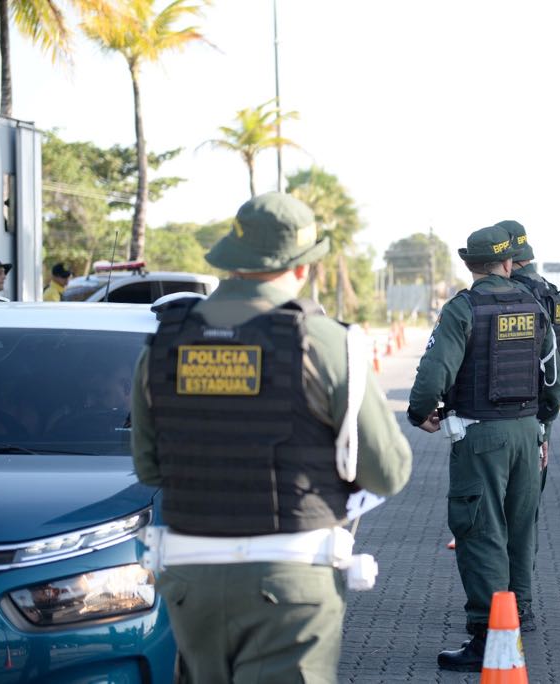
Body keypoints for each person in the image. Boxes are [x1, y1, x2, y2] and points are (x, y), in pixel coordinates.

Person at [131, 192, 412, 683]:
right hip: (291, 582)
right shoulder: (326, 342)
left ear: (231, 259)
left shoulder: (164, 343)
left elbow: (150, 469)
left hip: (190, 581)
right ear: (301, 268)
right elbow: (388, 473)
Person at [406, 224, 560, 671]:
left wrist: (420, 413)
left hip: (481, 437)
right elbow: (553, 377)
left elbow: (434, 372)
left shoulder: (463, 308)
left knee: (480, 531)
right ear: (508, 263)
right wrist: (543, 425)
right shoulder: (535, 305)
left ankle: (487, 637)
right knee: (520, 527)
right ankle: (519, 614)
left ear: (471, 264)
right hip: (527, 432)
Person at [496, 219, 560, 633]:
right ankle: (520, 601)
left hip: (502, 417)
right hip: (539, 419)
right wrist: (547, 421)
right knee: (525, 514)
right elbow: (557, 367)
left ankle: (499, 602)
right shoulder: (552, 294)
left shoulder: (506, 294)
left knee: (493, 515)